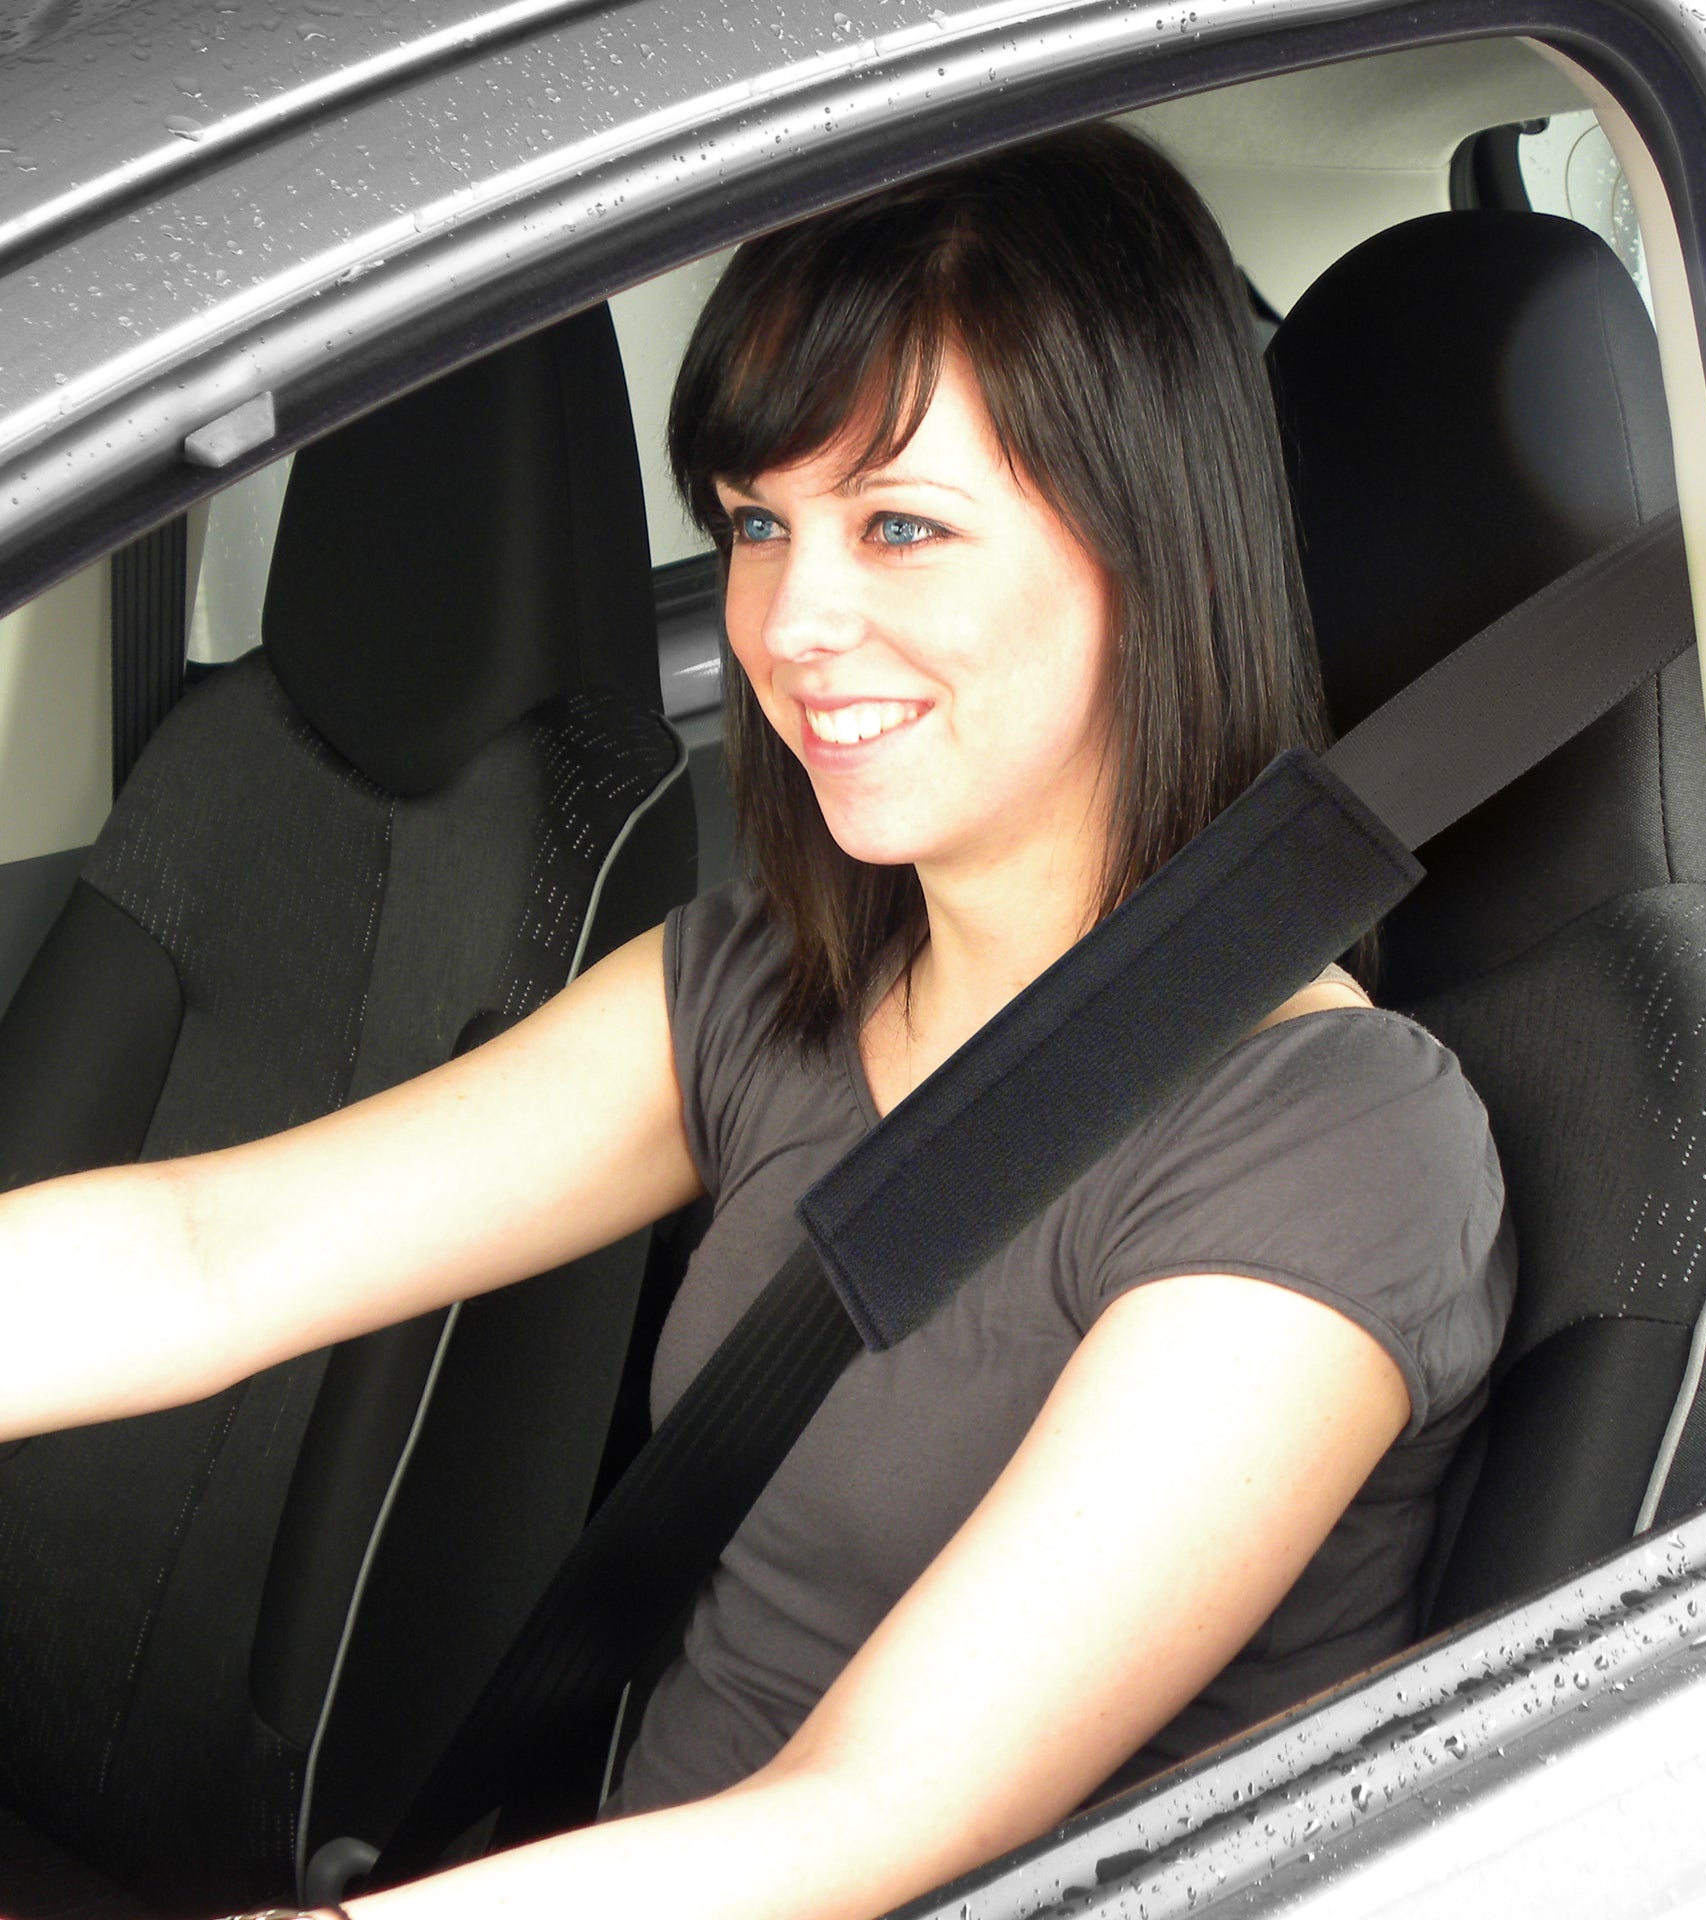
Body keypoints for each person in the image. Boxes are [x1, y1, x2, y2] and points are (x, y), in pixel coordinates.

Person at [0, 124, 1511, 1920]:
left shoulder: (1338, 1144)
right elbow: (210, 1254)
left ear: (1151, 546)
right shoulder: (768, 986)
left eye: (901, 527)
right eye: (757, 525)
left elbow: (871, 1822)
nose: (792, 623)